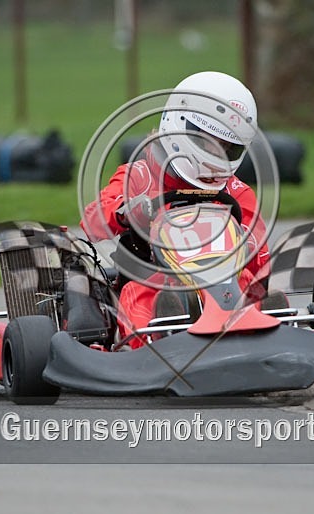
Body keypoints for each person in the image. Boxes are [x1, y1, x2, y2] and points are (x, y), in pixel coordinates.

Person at [81, 71, 270, 347]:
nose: (216, 155)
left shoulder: (237, 192)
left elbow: (261, 259)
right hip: (157, 280)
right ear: (178, 126)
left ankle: (264, 329)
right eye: (207, 142)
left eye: (227, 149)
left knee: (250, 282)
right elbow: (92, 220)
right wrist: (125, 212)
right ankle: (159, 338)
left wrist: (244, 242)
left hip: (224, 284)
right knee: (141, 292)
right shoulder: (141, 176)